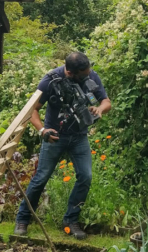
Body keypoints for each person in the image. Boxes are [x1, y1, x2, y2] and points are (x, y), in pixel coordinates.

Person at [14, 52, 111, 239]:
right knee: (41, 178)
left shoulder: (91, 75)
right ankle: (23, 219)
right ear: (71, 72)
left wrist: (99, 109)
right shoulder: (50, 81)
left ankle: (71, 220)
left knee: (86, 176)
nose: (88, 75)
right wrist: (43, 131)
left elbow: (106, 101)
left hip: (79, 137)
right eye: (84, 73)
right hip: (55, 136)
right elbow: (32, 110)